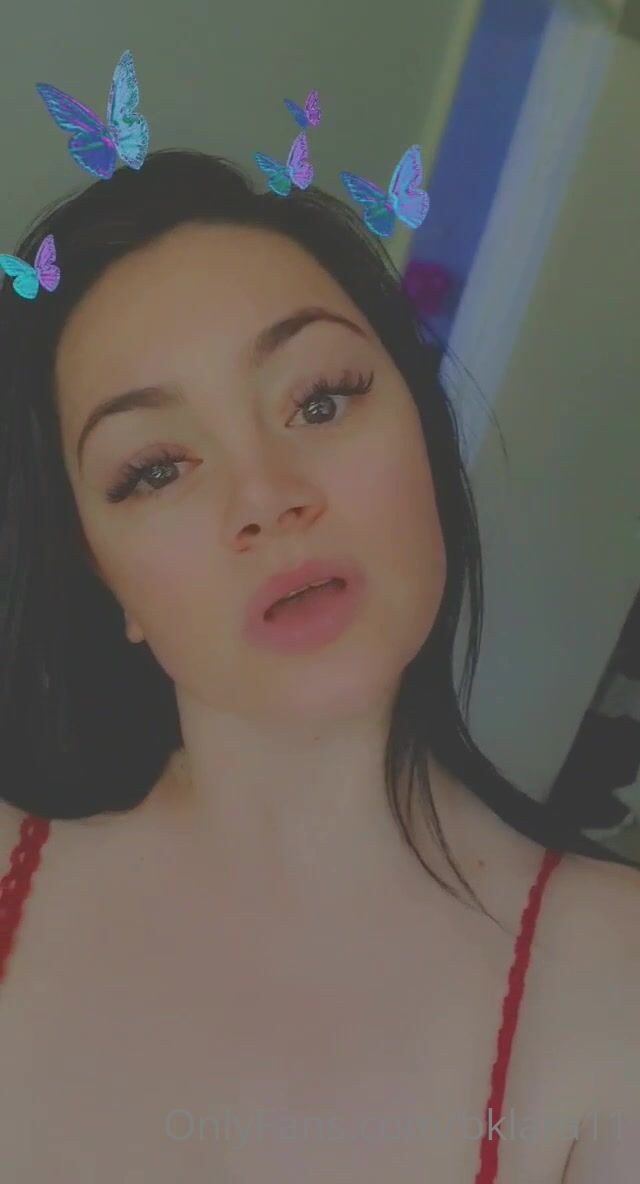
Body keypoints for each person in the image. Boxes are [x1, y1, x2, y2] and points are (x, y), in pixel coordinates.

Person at [0, 148, 638, 1183]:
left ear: (422, 434)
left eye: (321, 401)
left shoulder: (616, 982)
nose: (266, 494)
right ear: (102, 575)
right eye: (155, 468)